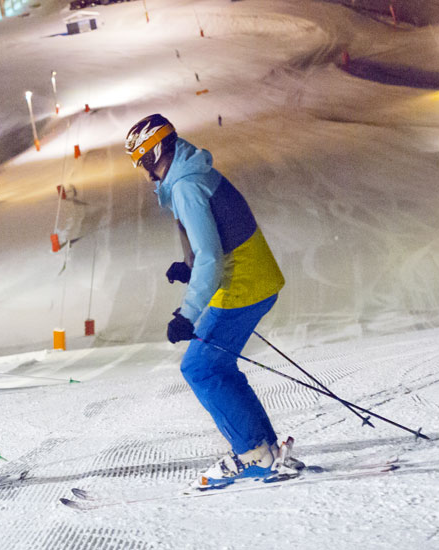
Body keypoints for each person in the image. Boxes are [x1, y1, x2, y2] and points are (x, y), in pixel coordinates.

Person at [125, 114, 303, 489]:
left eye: (143, 162)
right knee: (216, 366)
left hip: (244, 283)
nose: (144, 172)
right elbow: (215, 241)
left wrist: (187, 314)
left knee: (201, 368)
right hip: (248, 276)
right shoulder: (191, 174)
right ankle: (263, 450)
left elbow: (210, 254)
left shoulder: (186, 185)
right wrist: (190, 270)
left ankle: (255, 455)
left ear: (156, 153)